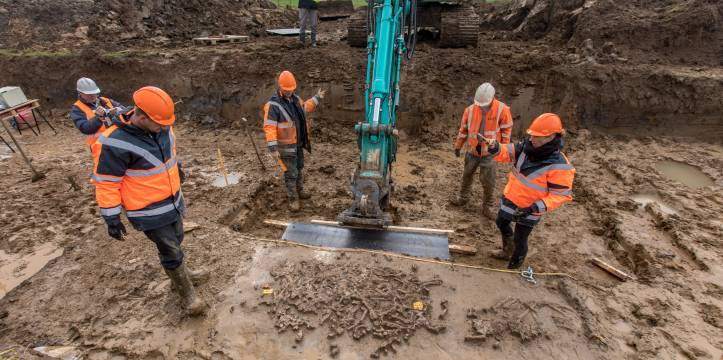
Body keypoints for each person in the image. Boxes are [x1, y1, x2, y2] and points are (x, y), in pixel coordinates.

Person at [91, 86, 205, 315]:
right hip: (149, 211)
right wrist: (111, 216)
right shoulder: (113, 142)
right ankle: (186, 293)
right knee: (170, 250)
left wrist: (178, 168)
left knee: (177, 239)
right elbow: (107, 182)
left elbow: (170, 153)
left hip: (173, 200)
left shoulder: (163, 126)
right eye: (160, 124)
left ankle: (183, 273)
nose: (165, 127)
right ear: (141, 117)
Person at [484, 113, 576, 269]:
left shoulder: (560, 166)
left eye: (537, 136)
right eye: (532, 135)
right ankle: (507, 250)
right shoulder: (526, 147)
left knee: (521, 238)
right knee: (501, 221)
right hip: (511, 198)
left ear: (551, 137)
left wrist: (535, 208)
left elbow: (560, 195)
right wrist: (495, 147)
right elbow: (508, 152)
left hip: (530, 208)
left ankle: (515, 264)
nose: (532, 138)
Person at [263, 70, 325, 211]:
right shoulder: (273, 105)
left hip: (297, 143)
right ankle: (293, 199)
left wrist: (316, 98)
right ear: (281, 87)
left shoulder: (295, 99)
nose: (289, 92)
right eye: (287, 90)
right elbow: (269, 127)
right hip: (285, 147)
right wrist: (273, 149)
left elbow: (305, 108)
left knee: (299, 168)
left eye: (291, 90)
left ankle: (300, 190)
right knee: (291, 173)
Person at [451, 82, 513, 218]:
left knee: (488, 180)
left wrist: (503, 150)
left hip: (490, 153)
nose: (481, 106)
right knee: (467, 175)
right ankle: (463, 197)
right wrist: (458, 145)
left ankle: (488, 205)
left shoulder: (502, 110)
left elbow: (506, 130)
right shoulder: (470, 110)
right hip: (472, 150)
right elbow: (463, 130)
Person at [70, 77, 125, 147]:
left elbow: (126, 111)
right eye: (88, 94)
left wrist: (120, 111)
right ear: (80, 93)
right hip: (99, 147)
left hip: (120, 141)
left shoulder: (106, 101)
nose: (92, 96)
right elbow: (85, 128)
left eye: (94, 93)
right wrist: (98, 118)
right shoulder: (77, 108)